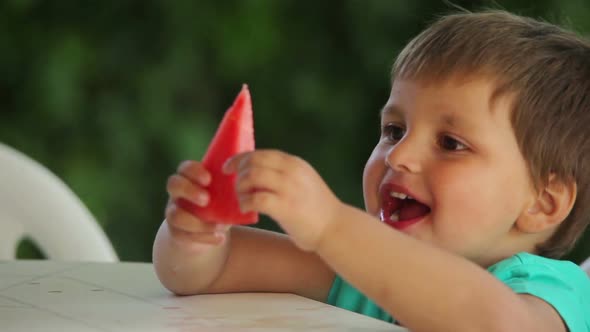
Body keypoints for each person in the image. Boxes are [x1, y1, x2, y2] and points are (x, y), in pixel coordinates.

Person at [153, 10, 590, 332]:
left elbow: (494, 324)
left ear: (543, 202)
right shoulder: (363, 271)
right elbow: (211, 272)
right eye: (394, 129)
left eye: (451, 144)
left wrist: (331, 225)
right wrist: (196, 235)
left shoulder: (554, 292)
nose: (398, 156)